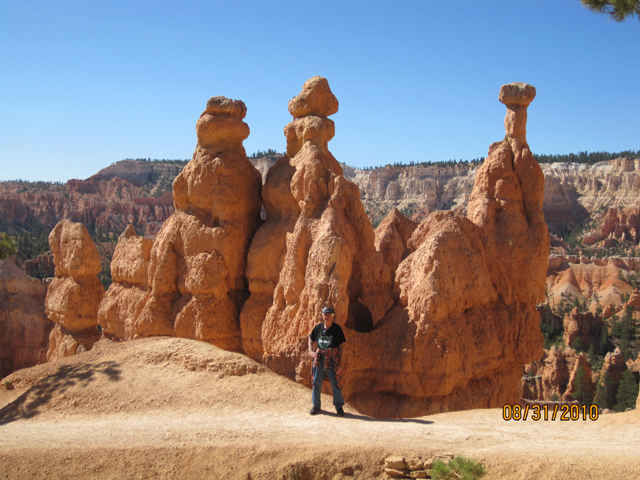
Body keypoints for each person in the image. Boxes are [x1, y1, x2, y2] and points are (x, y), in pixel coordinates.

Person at [308, 306, 346, 416]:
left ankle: (339, 407)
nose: (326, 316)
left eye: (329, 314)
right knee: (316, 382)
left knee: (335, 383)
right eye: (325, 314)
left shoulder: (337, 329)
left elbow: (342, 346)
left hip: (332, 358)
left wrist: (340, 363)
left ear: (333, 316)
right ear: (322, 315)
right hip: (319, 358)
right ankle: (316, 405)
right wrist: (311, 351)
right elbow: (310, 338)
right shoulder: (318, 327)